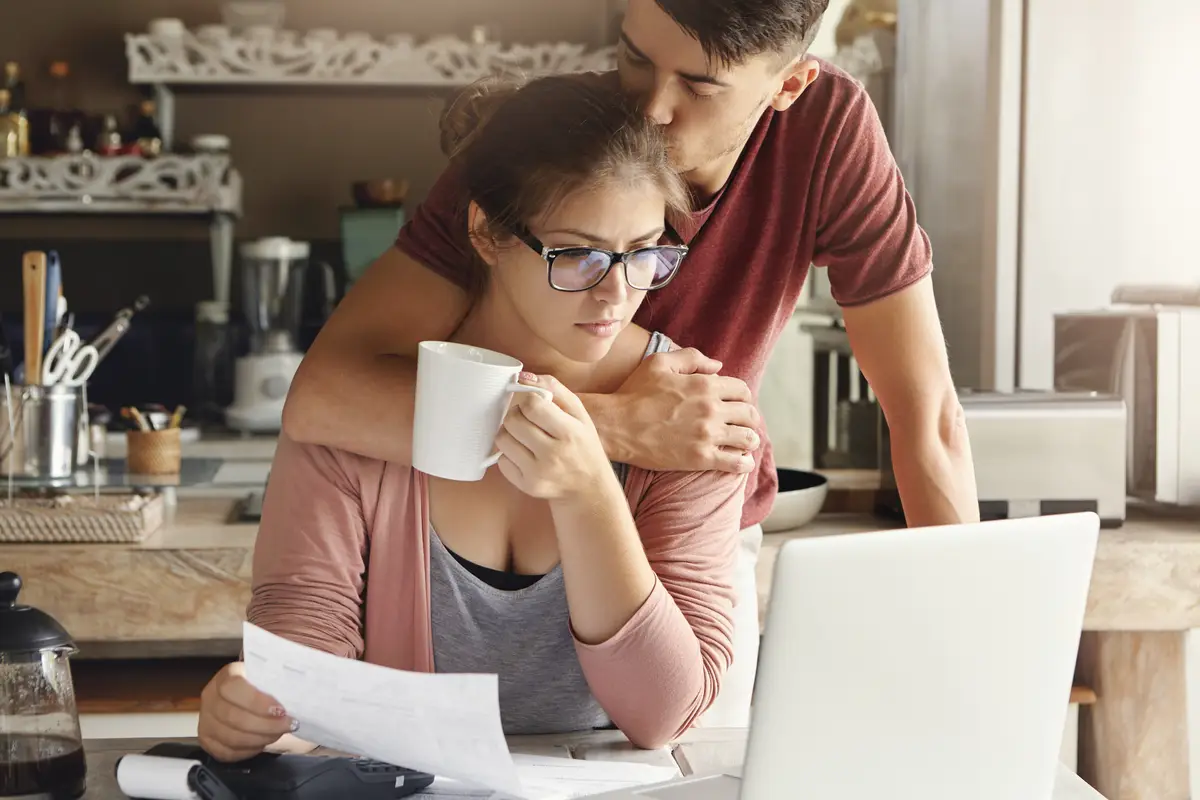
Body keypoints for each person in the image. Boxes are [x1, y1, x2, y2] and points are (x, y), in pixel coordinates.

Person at [282, 0, 980, 726]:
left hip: (689, 528)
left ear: (789, 86)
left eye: (701, 85)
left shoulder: (827, 132)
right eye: (635, 57)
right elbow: (325, 398)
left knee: (681, 745)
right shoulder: (545, 148)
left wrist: (964, 650)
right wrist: (605, 426)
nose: (649, 108)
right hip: (485, 501)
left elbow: (926, 416)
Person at [196, 75, 745, 763]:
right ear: (487, 230)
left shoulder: (694, 415)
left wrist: (589, 493)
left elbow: (662, 715)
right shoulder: (360, 413)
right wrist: (256, 710)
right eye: (577, 256)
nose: (617, 292)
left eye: (644, 253)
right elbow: (305, 657)